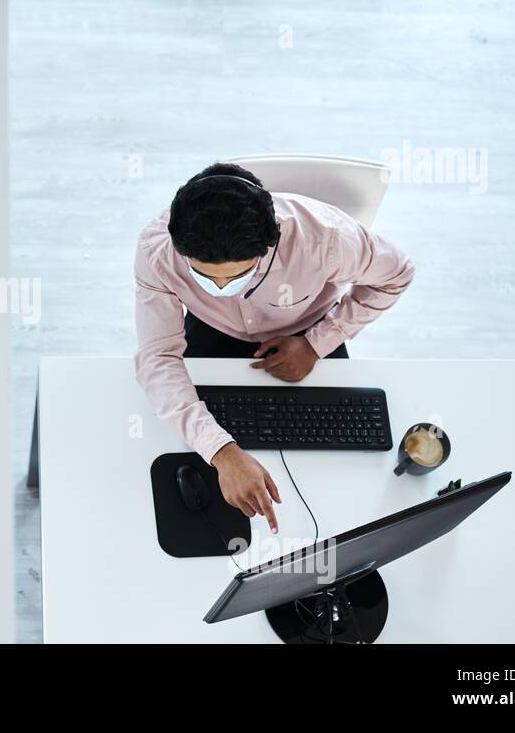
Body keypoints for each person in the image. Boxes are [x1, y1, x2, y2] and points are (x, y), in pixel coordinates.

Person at [134, 163, 414, 533]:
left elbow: (397, 275)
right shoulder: (158, 250)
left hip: (307, 330)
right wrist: (223, 452)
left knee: (341, 469)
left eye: (237, 275)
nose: (220, 285)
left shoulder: (326, 238)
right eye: (204, 276)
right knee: (181, 458)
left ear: (268, 246)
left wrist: (317, 343)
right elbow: (158, 357)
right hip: (211, 328)